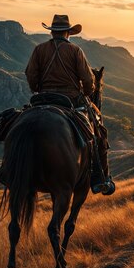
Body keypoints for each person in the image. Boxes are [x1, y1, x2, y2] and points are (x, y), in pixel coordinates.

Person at [24, 14, 115, 195]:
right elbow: (88, 80)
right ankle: (100, 178)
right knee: (98, 130)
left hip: (42, 98)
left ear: (52, 32)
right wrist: (87, 94)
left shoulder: (39, 49)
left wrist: (37, 89)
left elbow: (30, 75)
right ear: (68, 33)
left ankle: (7, 169)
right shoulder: (75, 51)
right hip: (70, 99)